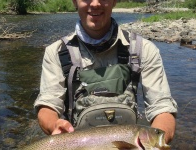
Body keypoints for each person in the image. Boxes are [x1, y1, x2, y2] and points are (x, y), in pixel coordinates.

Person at [34, 0, 178, 144]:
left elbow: (162, 109)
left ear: (114, 1)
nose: (95, 4)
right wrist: (54, 125)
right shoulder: (56, 52)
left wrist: (155, 143)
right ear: (74, 2)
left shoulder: (143, 49)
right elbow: (48, 106)